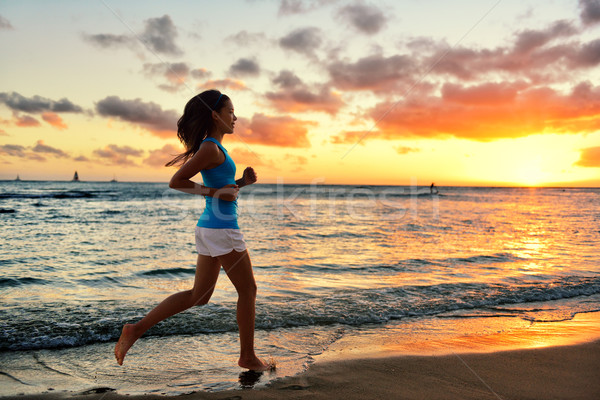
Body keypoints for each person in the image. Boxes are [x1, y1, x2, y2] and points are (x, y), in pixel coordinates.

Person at [114, 90, 271, 371]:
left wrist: (241, 183)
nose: (235, 117)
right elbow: (177, 181)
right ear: (215, 115)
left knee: (198, 296)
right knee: (248, 290)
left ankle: (135, 329)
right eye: (230, 112)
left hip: (210, 228)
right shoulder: (210, 148)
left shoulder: (216, 149)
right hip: (222, 229)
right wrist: (215, 191)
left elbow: (221, 192)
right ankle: (247, 356)